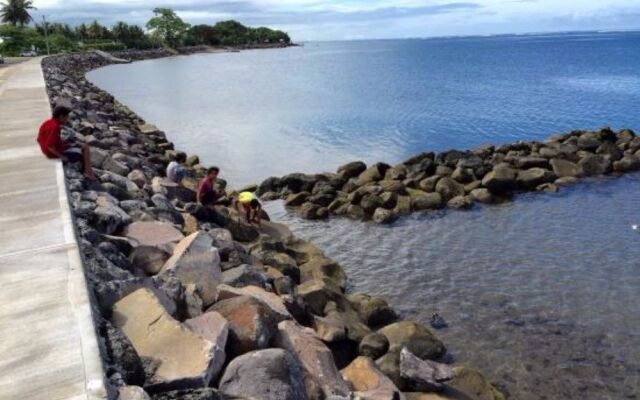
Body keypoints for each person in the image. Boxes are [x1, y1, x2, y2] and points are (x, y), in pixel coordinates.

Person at [37, 105, 95, 180]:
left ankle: (85, 170)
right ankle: (88, 173)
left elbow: (39, 139)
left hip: (54, 149)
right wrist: (62, 157)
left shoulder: (48, 122)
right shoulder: (55, 127)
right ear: (61, 116)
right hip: (53, 154)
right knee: (85, 147)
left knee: (76, 143)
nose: (68, 119)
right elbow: (50, 146)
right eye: (67, 117)